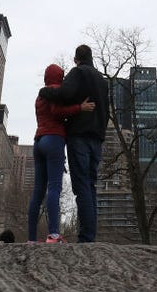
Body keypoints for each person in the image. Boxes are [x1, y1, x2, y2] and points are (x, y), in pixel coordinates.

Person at [38, 44, 108, 243]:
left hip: (79, 136)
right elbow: (107, 110)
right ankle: (90, 235)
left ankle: (86, 237)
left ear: (76, 59)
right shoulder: (102, 81)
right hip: (97, 138)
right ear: (91, 58)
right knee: (91, 185)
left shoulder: (78, 72)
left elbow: (64, 93)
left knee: (82, 187)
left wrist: (45, 92)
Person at [27, 63, 95, 243]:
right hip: (53, 139)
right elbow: (57, 112)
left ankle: (31, 239)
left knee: (37, 191)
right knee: (54, 188)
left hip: (38, 141)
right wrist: (79, 108)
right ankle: (54, 234)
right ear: (59, 76)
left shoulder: (40, 95)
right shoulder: (56, 90)